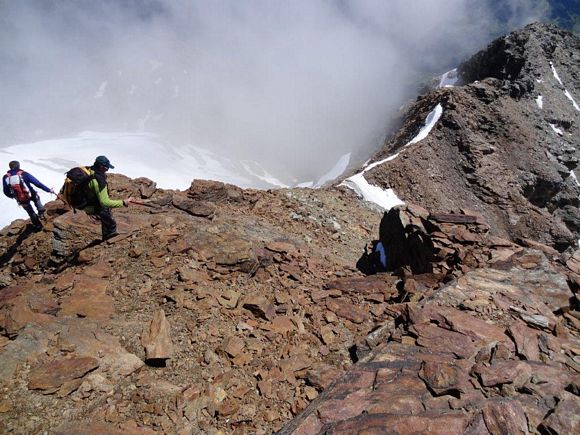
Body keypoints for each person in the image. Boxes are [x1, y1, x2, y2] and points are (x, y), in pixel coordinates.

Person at [81, 156, 132, 241]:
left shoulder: (90, 170)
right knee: (111, 223)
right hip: (92, 206)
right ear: (101, 167)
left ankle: (105, 236)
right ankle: (109, 238)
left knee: (106, 216)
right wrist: (123, 202)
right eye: (106, 167)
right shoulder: (98, 181)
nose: (108, 169)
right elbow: (105, 202)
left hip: (87, 202)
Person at [3, 161, 55, 229]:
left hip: (21, 198)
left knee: (30, 212)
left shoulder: (6, 177)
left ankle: (38, 225)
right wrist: (48, 190)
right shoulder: (23, 174)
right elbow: (37, 183)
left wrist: (14, 196)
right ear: (18, 166)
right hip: (31, 194)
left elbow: (5, 191)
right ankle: (41, 212)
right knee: (36, 199)